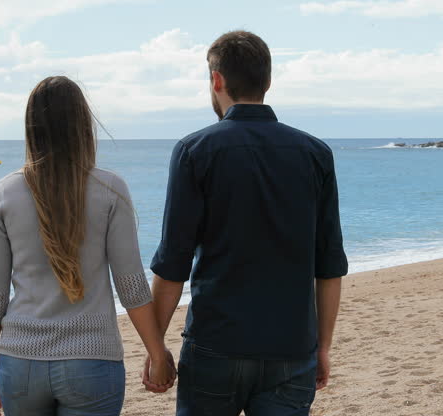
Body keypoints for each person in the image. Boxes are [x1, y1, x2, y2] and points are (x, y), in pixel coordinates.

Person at [144, 31, 348, 415]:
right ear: (267, 82)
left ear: (216, 80)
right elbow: (330, 264)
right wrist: (323, 345)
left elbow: (173, 264)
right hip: (292, 348)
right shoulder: (316, 154)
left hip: (215, 347)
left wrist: (156, 349)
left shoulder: (193, 151)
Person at [0, 76, 176, 416]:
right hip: (92, 363)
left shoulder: (1, 195)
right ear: (83, 125)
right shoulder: (110, 190)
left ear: (31, 128)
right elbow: (131, 285)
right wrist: (158, 353)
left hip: (21, 363)